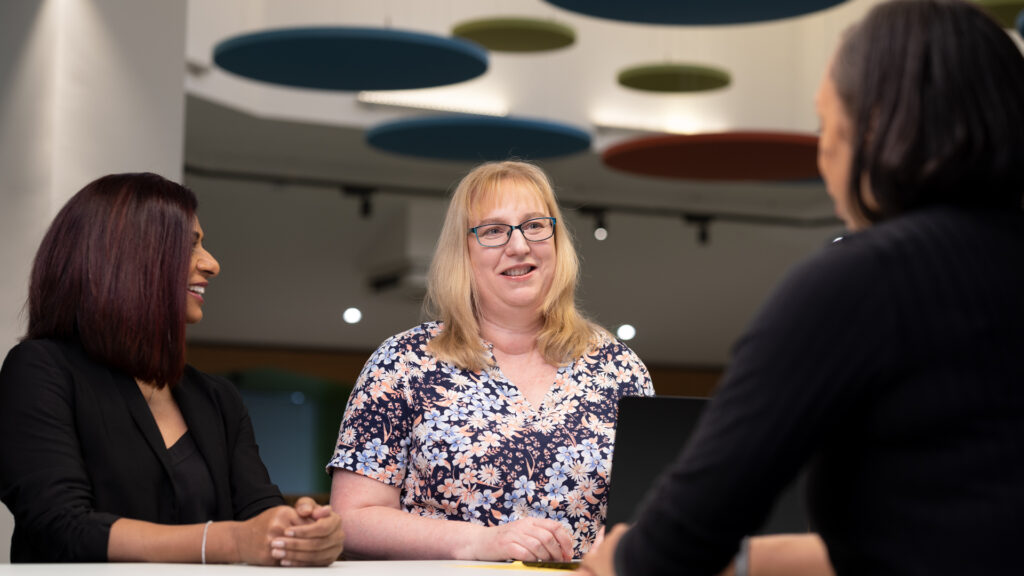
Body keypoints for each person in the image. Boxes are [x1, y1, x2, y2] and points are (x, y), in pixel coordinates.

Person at [580, 0, 1024, 575]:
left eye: (825, 125)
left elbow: (682, 538)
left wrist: (624, 556)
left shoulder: (863, 282)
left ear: (874, 126)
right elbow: (942, 528)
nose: (823, 153)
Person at [0, 173, 346, 565]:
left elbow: (260, 513)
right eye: (190, 244)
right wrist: (231, 541)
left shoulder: (216, 399)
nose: (212, 264)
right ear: (126, 257)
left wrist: (304, 534)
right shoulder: (39, 371)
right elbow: (60, 527)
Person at [327, 160, 654, 561]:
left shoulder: (619, 368)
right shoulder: (403, 364)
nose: (519, 246)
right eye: (493, 231)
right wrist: (480, 542)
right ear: (462, 252)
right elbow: (353, 518)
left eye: (534, 225)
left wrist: (618, 543)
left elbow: (646, 507)